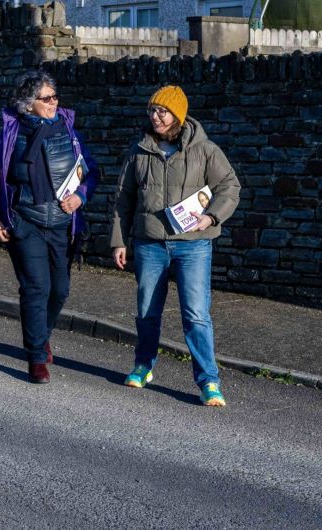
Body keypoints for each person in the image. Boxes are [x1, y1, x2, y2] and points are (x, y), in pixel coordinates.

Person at [110, 85, 241, 406]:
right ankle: (143, 365)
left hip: (193, 246)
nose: (155, 116)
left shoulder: (205, 150)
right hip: (149, 243)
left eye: (162, 111)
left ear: (178, 115)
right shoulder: (139, 151)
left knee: (196, 315)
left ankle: (209, 381)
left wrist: (211, 217)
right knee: (147, 312)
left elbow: (229, 186)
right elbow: (122, 200)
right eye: (152, 110)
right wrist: (119, 241)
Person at [0, 70, 99, 385]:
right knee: (36, 289)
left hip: (61, 224)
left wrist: (80, 197)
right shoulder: (10, 136)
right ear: (28, 104)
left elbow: (91, 172)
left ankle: (41, 333)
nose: (53, 103)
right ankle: (35, 356)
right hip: (26, 221)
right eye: (46, 98)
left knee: (60, 289)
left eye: (54, 97)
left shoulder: (68, 130)